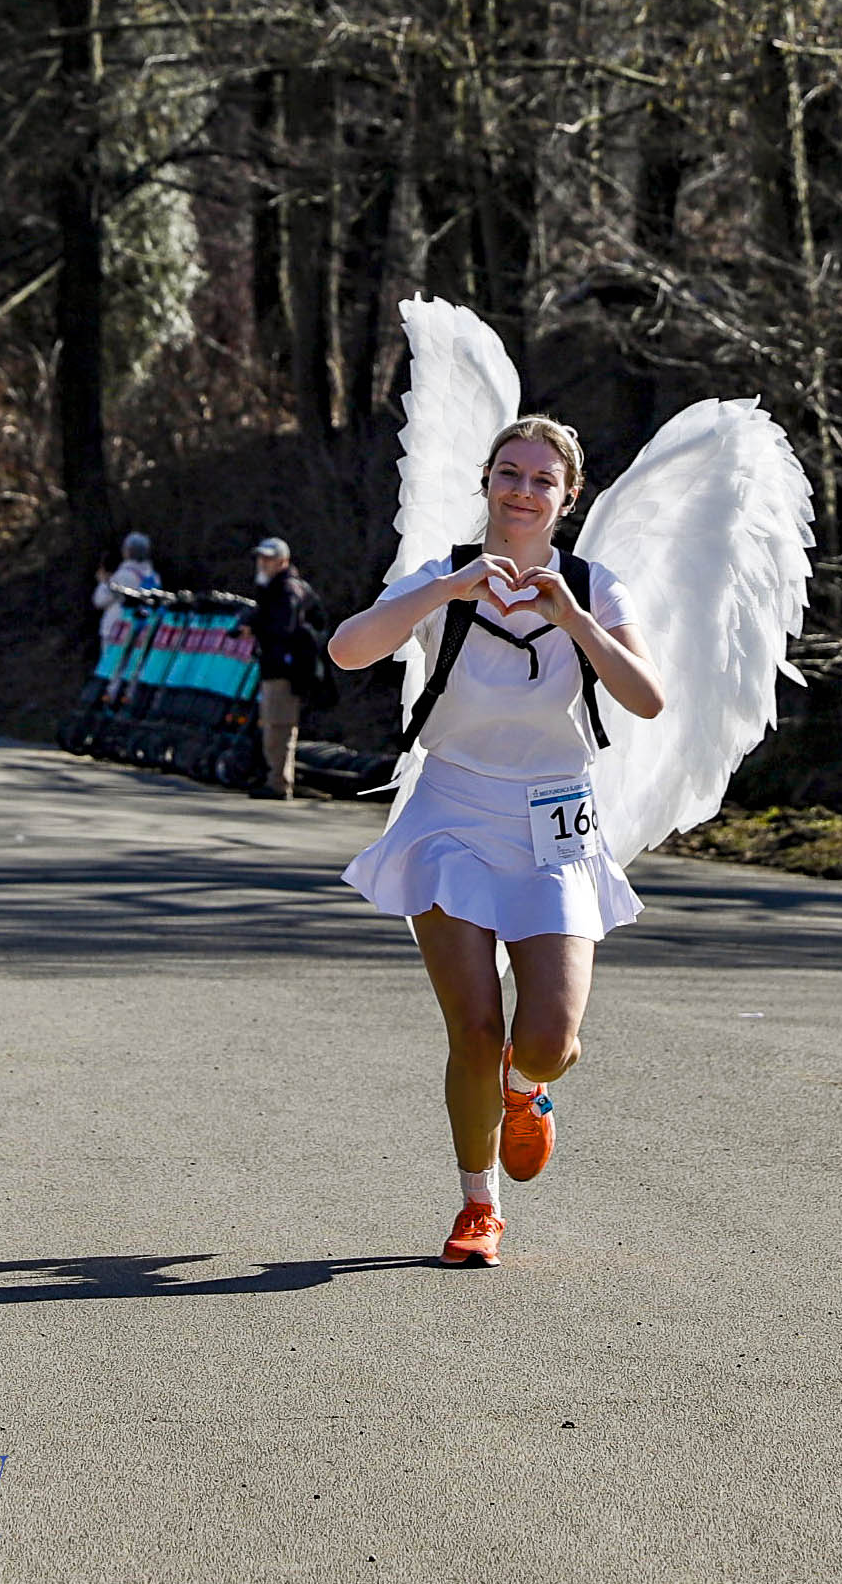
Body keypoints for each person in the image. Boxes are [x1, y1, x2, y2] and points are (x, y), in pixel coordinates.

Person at [329, 416, 667, 1268]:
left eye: (542, 480)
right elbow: (347, 650)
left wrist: (575, 618)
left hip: (554, 815)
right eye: (509, 473)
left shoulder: (596, 584)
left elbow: (647, 699)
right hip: (452, 809)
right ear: (486, 482)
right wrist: (445, 593)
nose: (522, 491)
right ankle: (478, 1204)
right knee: (474, 1027)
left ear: (567, 497)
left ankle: (527, 1092)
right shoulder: (440, 573)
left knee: (549, 1037)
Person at [239, 537, 329, 800]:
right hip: (276, 666)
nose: (262, 563)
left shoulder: (286, 590)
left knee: (279, 726)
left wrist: (255, 627)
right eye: (260, 558)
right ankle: (274, 778)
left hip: (285, 669)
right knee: (272, 724)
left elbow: (283, 628)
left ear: (283, 561)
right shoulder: (273, 588)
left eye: (268, 558)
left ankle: (278, 783)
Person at [93, 532, 160, 644]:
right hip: (143, 629)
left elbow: (100, 600)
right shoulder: (154, 576)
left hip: (116, 629)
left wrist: (103, 582)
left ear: (128, 551)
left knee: (112, 661)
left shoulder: (123, 575)